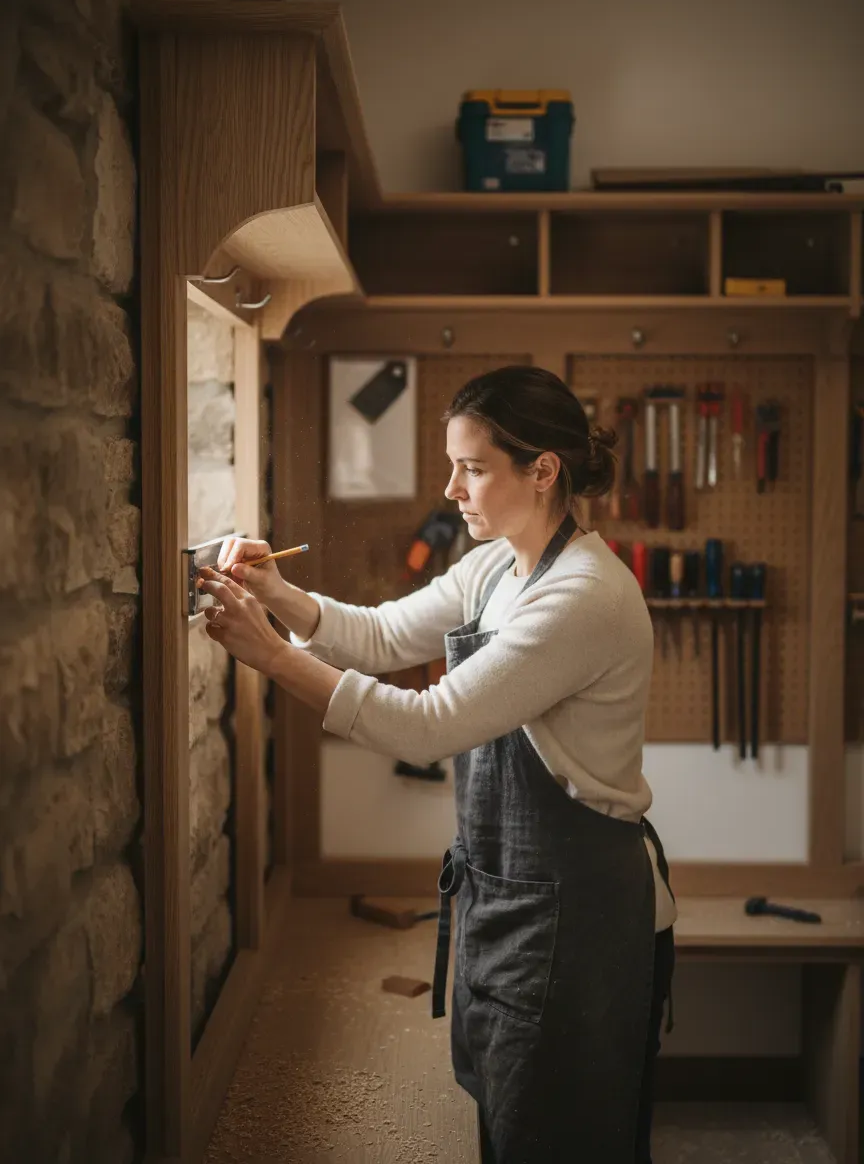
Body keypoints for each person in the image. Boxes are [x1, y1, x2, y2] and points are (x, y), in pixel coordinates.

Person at [199, 365, 677, 1164]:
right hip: (509, 897)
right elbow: (387, 636)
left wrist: (274, 659)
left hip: (578, 918)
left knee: (562, 1140)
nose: (451, 488)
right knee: (508, 1123)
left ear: (544, 470)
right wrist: (280, 595)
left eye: (473, 467)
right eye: (452, 465)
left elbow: (428, 727)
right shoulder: (499, 565)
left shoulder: (583, 594)